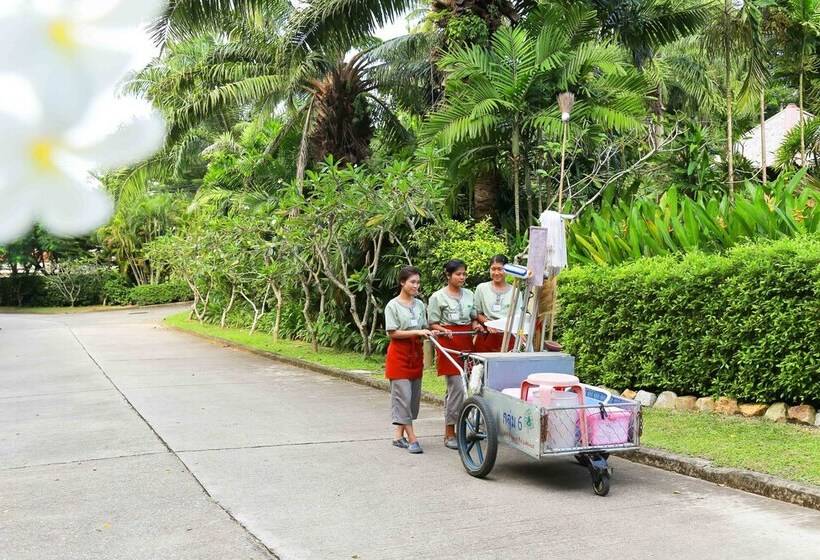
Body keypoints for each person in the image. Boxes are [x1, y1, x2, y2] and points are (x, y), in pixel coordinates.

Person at [428, 259, 483, 449]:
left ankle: (464, 426)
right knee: (457, 387)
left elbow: (474, 317)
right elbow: (432, 323)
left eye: (464, 274)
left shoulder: (469, 294)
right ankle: (449, 433)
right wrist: (441, 329)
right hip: (448, 343)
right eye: (458, 274)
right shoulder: (437, 297)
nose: (462, 277)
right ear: (448, 275)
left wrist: (476, 325)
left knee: (467, 386)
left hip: (467, 342)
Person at [384, 266, 431, 454]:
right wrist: (417, 332)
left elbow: (424, 327)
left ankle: (398, 436)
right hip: (399, 356)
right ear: (402, 282)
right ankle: (412, 439)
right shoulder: (392, 306)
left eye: (418, 282)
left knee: (412, 400)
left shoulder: (420, 305)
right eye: (412, 282)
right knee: (403, 398)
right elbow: (392, 332)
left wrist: (429, 333)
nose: (416, 285)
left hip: (416, 355)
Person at [474, 254, 515, 352]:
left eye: (500, 269)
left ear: (507, 270)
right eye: (493, 269)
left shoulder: (515, 291)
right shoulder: (481, 288)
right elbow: (476, 312)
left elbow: (517, 316)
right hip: (487, 335)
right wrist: (488, 323)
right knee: (483, 366)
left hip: (508, 336)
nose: (496, 273)